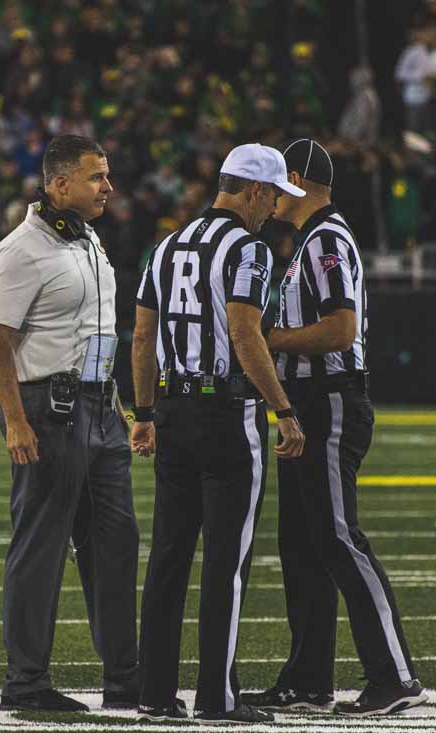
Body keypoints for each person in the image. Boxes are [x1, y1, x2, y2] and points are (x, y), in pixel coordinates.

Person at [241, 140, 427, 718]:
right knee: (303, 546)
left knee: (339, 538)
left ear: (295, 178)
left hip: (330, 401)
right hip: (307, 402)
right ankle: (308, 678)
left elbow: (342, 330)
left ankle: (394, 676)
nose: (270, 195)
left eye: (277, 182)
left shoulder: (326, 238)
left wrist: (271, 340)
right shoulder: (307, 241)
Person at [130, 143, 306, 724]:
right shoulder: (248, 249)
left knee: (169, 557)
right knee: (225, 564)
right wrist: (282, 408)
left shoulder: (166, 245)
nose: (276, 207)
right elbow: (243, 333)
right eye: (275, 194)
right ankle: (216, 697)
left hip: (174, 411)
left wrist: (147, 413)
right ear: (254, 190)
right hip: (226, 415)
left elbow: (141, 338)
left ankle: (154, 693)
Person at [0, 135, 140, 713]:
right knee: (41, 546)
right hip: (50, 411)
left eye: (107, 174)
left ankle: (125, 678)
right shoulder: (19, 250)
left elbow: (92, 331)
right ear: (59, 183)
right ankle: (26, 682)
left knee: (117, 545)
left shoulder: (87, 238)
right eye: (96, 176)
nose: (108, 186)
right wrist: (15, 422)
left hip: (100, 407)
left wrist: (118, 404)